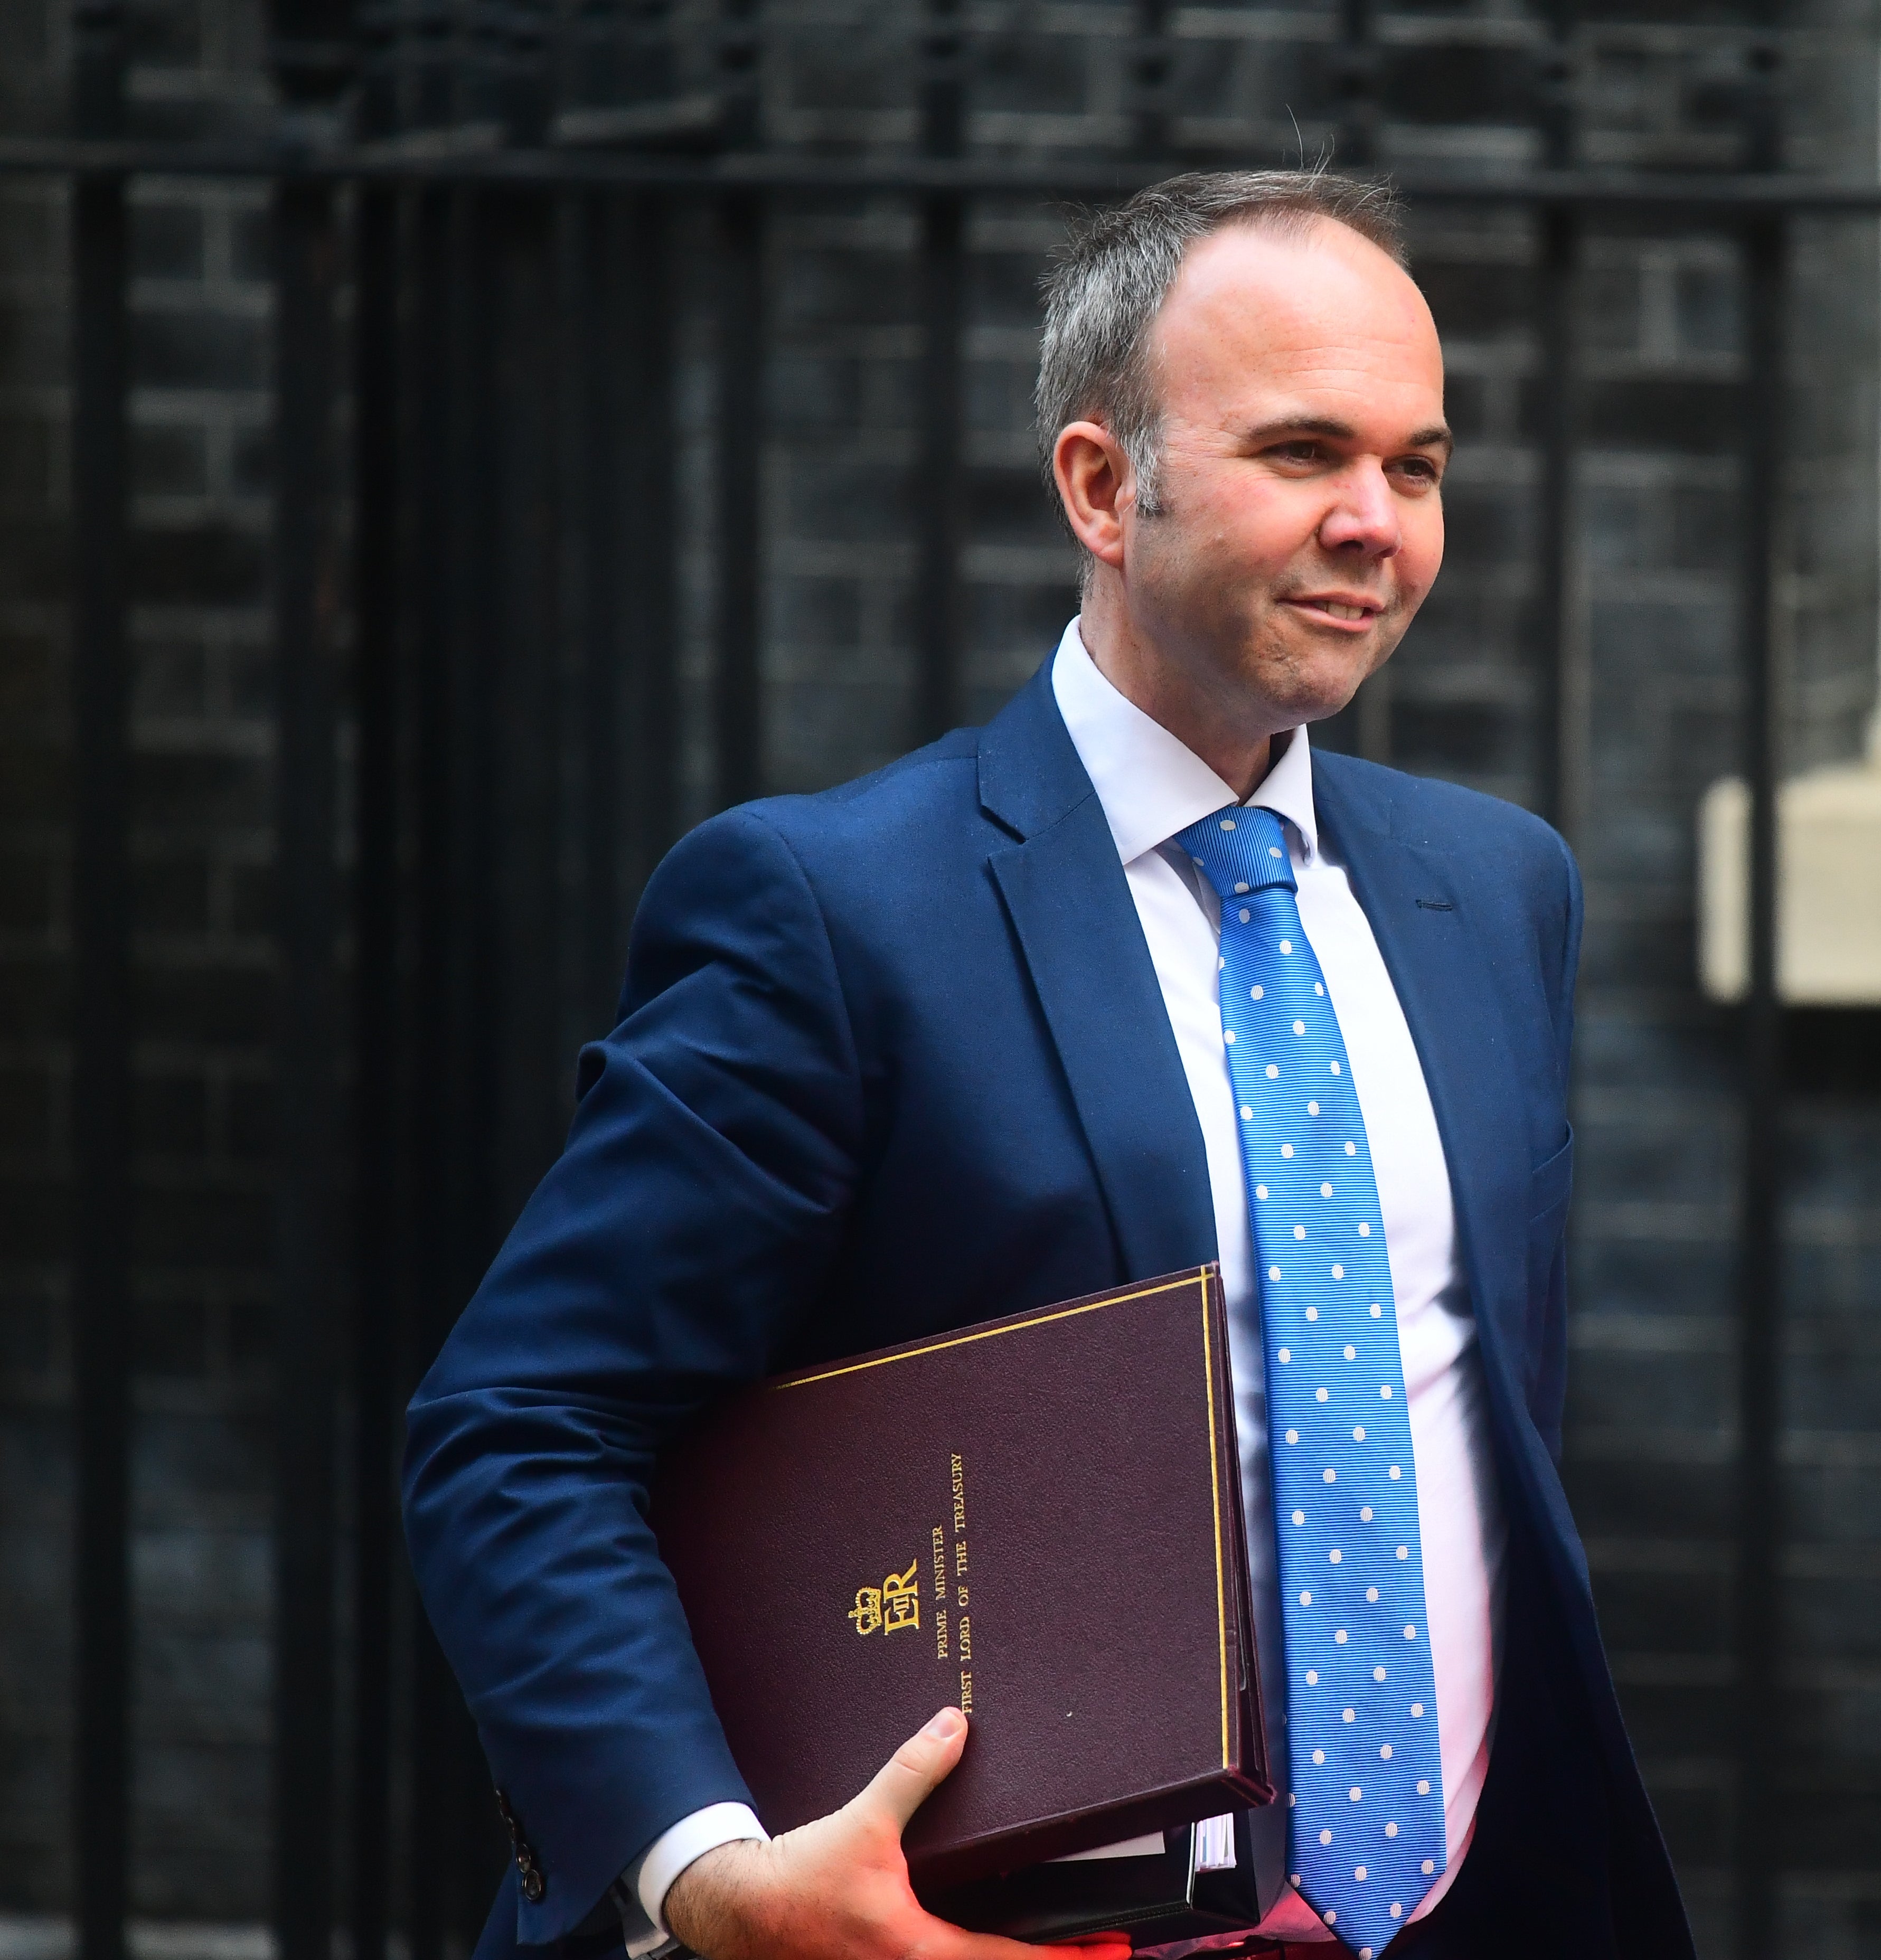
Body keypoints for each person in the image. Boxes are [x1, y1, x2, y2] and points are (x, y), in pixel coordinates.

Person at [400, 169, 1694, 1960]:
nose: (1376, 523)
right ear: (1102, 485)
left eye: (1418, 465)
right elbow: (517, 1431)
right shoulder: (831, 911)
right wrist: (713, 1875)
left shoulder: (1497, 889)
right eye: (1306, 453)